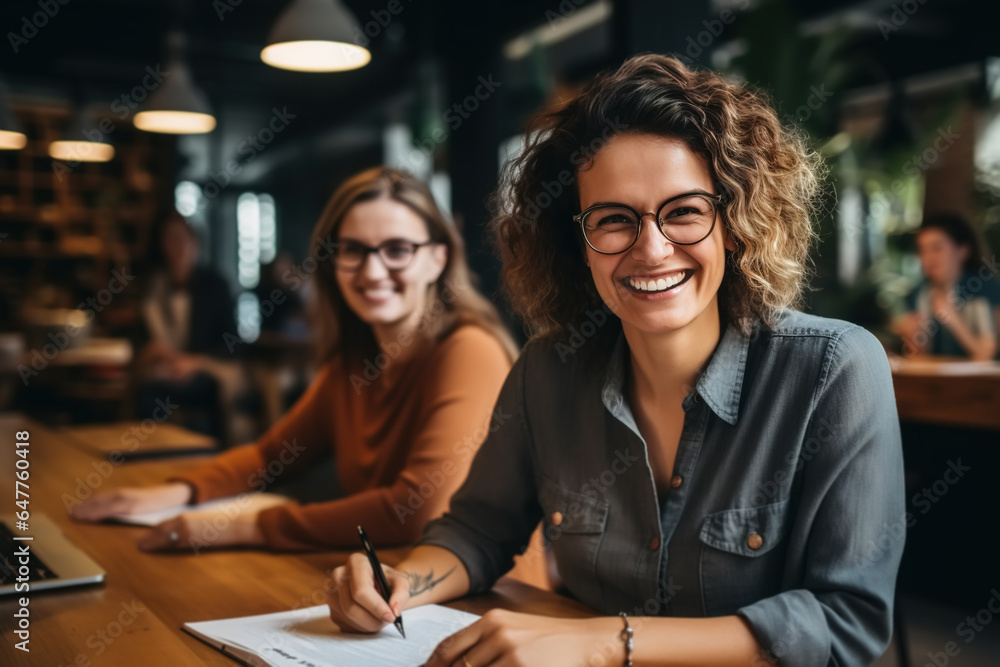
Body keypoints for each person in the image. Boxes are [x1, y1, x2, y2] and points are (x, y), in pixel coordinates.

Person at [327, 55, 905, 666]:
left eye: (684, 211)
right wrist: (397, 585)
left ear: (732, 224)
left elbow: (847, 622)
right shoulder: (547, 371)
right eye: (613, 220)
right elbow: (476, 532)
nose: (652, 250)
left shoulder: (833, 369)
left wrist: (609, 641)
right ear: (577, 245)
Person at [72, 167, 517, 552]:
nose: (372, 270)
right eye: (354, 250)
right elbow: (270, 456)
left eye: (398, 249)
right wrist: (179, 492)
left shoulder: (469, 349)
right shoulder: (354, 363)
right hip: (391, 585)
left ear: (437, 259)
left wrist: (245, 527)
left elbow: (415, 512)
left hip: (494, 606)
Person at [134, 211, 242, 440]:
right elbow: (138, 340)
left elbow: (232, 342)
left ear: (195, 243)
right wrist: (150, 351)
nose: (178, 246)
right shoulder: (154, 287)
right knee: (147, 394)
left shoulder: (215, 286)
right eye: (171, 239)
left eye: (184, 239)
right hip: (165, 369)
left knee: (208, 393)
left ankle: (211, 453)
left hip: (203, 368)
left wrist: (194, 362)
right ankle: (157, 453)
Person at [894, 213, 999, 360]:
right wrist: (911, 335)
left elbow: (986, 355)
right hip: (936, 379)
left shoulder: (984, 287)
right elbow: (918, 358)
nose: (928, 258)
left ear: (962, 251)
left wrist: (953, 318)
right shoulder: (918, 294)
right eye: (922, 250)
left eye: (936, 248)